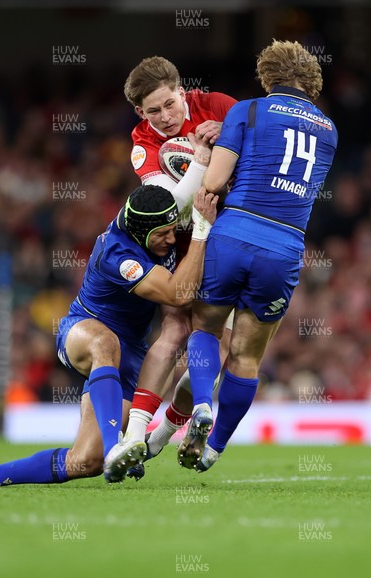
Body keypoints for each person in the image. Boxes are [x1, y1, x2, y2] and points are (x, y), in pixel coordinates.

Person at [0, 185, 218, 489]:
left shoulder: (147, 219)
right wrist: (200, 230)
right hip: (84, 328)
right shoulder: (117, 253)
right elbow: (177, 293)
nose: (171, 239)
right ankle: (115, 446)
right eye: (163, 234)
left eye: (173, 231)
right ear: (140, 232)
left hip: (132, 352)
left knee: (85, 462)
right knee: (105, 343)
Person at [177, 40, 338, 471]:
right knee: (247, 355)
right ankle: (215, 449)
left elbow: (212, 183)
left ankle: (200, 409)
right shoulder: (328, 129)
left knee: (206, 327)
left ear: (267, 76)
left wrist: (205, 152)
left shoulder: (246, 110)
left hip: (234, 233)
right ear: (310, 81)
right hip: (284, 246)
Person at [122, 56, 237, 455]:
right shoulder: (143, 143)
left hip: (226, 238)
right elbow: (167, 207)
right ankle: (134, 435)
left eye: (169, 104)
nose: (165, 116)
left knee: (221, 346)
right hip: (180, 241)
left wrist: (230, 135)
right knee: (174, 329)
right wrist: (203, 161)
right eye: (153, 111)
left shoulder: (219, 107)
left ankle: (162, 432)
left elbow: (262, 150)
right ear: (140, 112)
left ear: (181, 91)